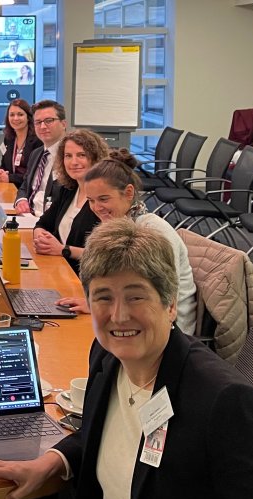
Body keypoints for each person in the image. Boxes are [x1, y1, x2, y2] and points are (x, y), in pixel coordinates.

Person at [0, 219, 253, 499]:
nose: (119, 315)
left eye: (135, 297)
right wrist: (52, 462)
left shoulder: (224, 402)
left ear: (171, 305)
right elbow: (100, 432)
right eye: (103, 297)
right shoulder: (107, 356)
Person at [53, 150, 198, 332]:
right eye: (91, 201)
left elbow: (164, 300)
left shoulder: (154, 232)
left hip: (167, 330)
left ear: (129, 193)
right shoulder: (117, 225)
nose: (97, 208)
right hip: (133, 314)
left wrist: (99, 307)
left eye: (104, 199)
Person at [33, 129, 109, 274]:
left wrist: (63, 250)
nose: (74, 162)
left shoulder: (104, 198)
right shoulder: (67, 189)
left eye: (81, 155)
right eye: (68, 156)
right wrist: (41, 237)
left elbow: (107, 256)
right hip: (59, 268)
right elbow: (42, 223)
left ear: (96, 158)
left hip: (84, 277)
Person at [14, 100, 68, 216]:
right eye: (38, 122)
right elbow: (25, 185)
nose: (43, 126)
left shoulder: (71, 156)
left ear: (63, 124)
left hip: (51, 223)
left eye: (49, 121)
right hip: (28, 217)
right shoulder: (36, 154)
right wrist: (21, 200)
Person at [0, 99, 43, 187]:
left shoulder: (37, 140)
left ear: (28, 117)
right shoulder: (8, 139)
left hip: (28, 191)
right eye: (12, 115)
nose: (15, 118)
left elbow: (35, 174)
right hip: (9, 187)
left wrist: (10, 178)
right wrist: (1, 173)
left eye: (20, 114)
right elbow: (4, 165)